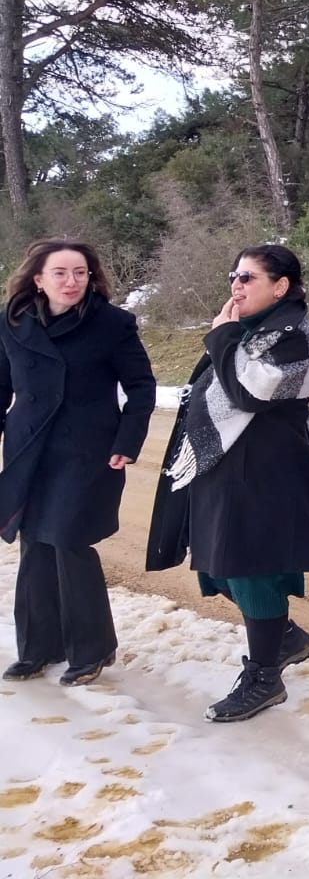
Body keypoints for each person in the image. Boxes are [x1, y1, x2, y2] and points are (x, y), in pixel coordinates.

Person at [146, 245, 309, 723]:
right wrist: (227, 337)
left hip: (266, 475)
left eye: (247, 277)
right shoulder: (253, 332)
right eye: (234, 276)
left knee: (251, 571)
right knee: (218, 568)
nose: (236, 285)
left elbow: (249, 393)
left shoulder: (294, 339)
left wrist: (221, 337)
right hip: (225, 468)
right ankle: (284, 636)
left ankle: (265, 678)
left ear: (280, 286)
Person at [0, 238, 156, 686]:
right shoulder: (11, 322)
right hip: (29, 448)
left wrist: (129, 440)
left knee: (68, 539)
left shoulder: (112, 324)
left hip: (88, 451)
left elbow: (143, 389)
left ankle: (92, 650)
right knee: (34, 543)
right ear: (37, 279)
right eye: (61, 273)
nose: (72, 282)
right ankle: (37, 649)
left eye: (81, 273)